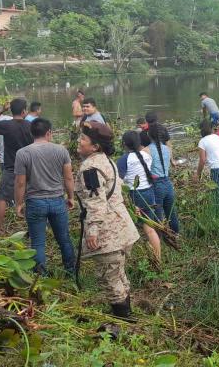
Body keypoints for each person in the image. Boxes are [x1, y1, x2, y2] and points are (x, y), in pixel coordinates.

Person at [76, 121, 140, 318]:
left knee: (109, 278)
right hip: (122, 228)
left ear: (95, 146)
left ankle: (123, 319)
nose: (79, 141)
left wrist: (92, 230)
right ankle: (126, 312)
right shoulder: (107, 161)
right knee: (118, 274)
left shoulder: (90, 168)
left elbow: (96, 202)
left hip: (108, 232)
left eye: (83, 139)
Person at [13, 118, 76, 275]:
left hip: (35, 203)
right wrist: (71, 197)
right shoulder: (61, 150)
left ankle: (41, 276)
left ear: (31, 133)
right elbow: (68, 178)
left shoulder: (23, 153)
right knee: (64, 239)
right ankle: (71, 271)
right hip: (57, 201)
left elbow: (20, 183)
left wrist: (19, 203)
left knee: (38, 242)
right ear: (49, 133)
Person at [0, 98, 33, 236]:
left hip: (11, 167)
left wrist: (2, 110)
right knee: (31, 197)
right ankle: (32, 230)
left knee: (3, 198)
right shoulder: (31, 125)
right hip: (29, 167)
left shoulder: (6, 125)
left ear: (11, 110)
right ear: (24, 111)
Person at [118, 131, 163, 269]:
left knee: (126, 227)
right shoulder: (147, 155)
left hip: (134, 195)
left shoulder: (124, 160)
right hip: (149, 192)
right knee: (149, 229)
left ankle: (125, 261)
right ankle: (158, 260)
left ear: (124, 144)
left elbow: (119, 181)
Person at [148, 122, 180, 236]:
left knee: (158, 213)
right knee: (171, 212)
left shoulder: (147, 150)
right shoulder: (167, 149)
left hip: (156, 185)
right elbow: (172, 162)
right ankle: (176, 235)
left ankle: (160, 238)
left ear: (149, 135)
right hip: (167, 183)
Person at [196, 120, 219, 206]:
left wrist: (198, 174)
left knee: (217, 199)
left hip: (218, 170)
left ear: (201, 130)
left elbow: (202, 160)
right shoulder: (218, 137)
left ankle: (218, 217)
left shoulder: (202, 141)